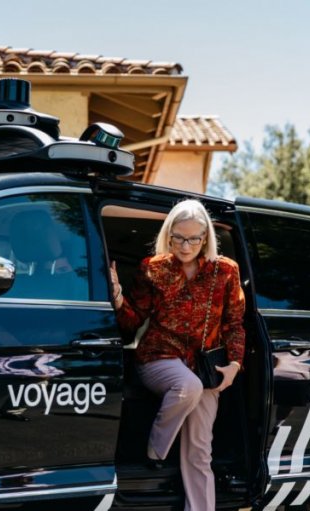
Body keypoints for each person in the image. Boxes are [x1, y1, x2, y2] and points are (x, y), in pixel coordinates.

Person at [109, 199, 246, 511]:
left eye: (194, 238)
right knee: (188, 387)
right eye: (179, 238)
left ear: (206, 237)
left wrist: (235, 364)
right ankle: (155, 451)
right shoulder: (152, 268)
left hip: (208, 366)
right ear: (169, 235)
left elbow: (234, 323)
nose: (186, 246)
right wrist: (117, 296)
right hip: (158, 358)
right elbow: (131, 322)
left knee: (200, 450)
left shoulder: (226, 271)